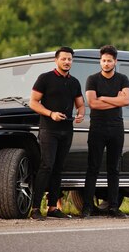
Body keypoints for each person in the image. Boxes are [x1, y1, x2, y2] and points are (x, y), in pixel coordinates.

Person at [28, 46, 85, 220]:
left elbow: (80, 104)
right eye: (64, 59)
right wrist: (51, 114)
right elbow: (33, 102)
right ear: (56, 60)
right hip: (49, 130)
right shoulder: (45, 78)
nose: (67, 62)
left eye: (69, 59)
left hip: (67, 131)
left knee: (59, 168)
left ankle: (53, 207)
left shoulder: (74, 82)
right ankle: (35, 208)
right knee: (47, 166)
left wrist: (81, 114)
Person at [80, 45, 129, 219]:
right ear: (100, 61)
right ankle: (87, 207)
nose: (106, 63)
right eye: (103, 60)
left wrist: (105, 98)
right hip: (97, 128)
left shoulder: (123, 79)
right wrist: (117, 100)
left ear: (115, 62)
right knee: (92, 167)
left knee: (114, 169)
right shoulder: (92, 79)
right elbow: (93, 104)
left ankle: (113, 207)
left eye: (110, 60)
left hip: (116, 128)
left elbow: (127, 100)